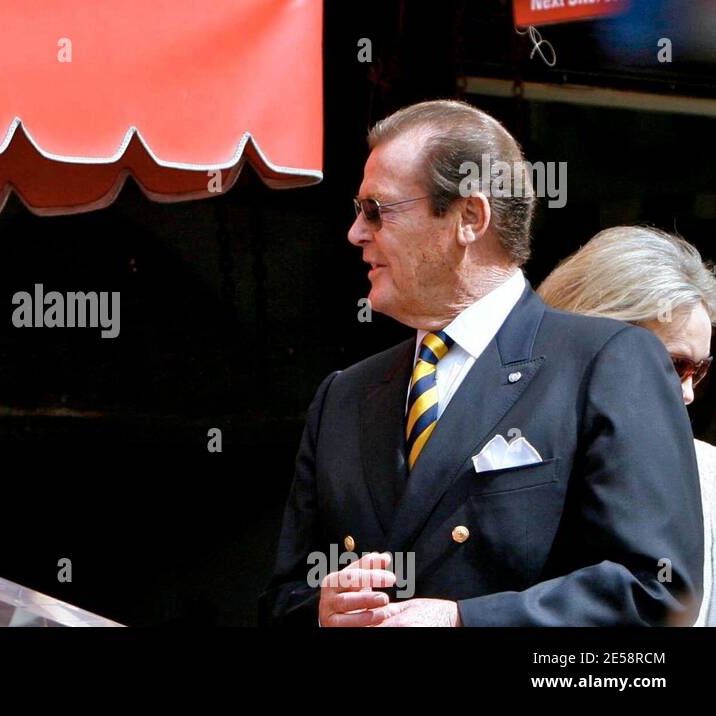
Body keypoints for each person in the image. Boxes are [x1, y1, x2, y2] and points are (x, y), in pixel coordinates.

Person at [260, 100, 704, 627]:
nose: (356, 233)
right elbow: (279, 600)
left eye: (376, 210)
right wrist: (321, 610)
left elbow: (658, 590)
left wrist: (462, 621)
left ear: (469, 217)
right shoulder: (344, 394)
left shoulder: (606, 361)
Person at [538, 226, 716, 626]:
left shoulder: (708, 475)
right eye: (672, 366)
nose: (687, 393)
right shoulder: (486, 444)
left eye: (699, 370)